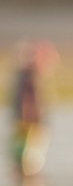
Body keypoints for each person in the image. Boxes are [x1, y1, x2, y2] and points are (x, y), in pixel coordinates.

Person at [9, 40, 56, 178]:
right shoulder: (29, 75)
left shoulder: (26, 74)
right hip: (29, 121)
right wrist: (29, 117)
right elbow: (26, 99)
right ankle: (26, 178)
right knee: (28, 158)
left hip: (27, 121)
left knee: (24, 156)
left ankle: (23, 177)